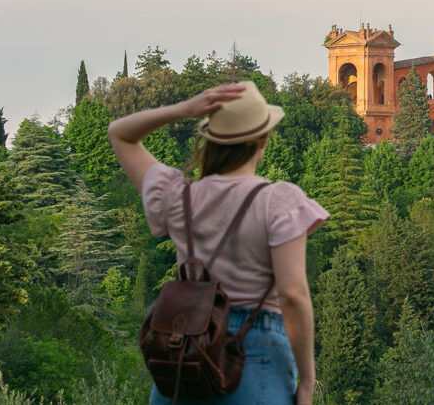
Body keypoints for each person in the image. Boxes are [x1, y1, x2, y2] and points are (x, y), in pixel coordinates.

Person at [108, 81, 327, 405]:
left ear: (208, 139)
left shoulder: (177, 196)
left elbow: (120, 133)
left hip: (186, 356)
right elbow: (292, 295)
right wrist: (307, 382)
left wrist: (184, 109)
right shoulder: (278, 201)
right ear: (262, 140)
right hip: (254, 356)